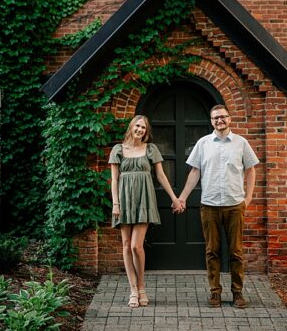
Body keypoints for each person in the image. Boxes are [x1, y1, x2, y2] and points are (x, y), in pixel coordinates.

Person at [176, 104, 259, 308]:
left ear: (229, 119)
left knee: (236, 251)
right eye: (215, 118)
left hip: (234, 205)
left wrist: (248, 198)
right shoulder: (203, 143)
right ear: (211, 121)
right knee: (212, 251)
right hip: (209, 205)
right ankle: (215, 293)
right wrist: (183, 197)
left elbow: (251, 170)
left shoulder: (241, 143)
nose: (219, 121)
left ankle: (237, 293)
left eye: (222, 117)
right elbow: (194, 172)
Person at [109, 115, 183, 307]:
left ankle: (141, 286)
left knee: (136, 246)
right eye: (137, 126)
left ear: (146, 131)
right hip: (124, 200)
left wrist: (174, 198)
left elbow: (161, 175)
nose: (140, 129)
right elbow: (115, 180)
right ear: (131, 127)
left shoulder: (150, 149)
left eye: (143, 127)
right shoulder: (118, 150)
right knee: (126, 246)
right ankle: (133, 290)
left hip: (144, 199)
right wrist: (115, 203)